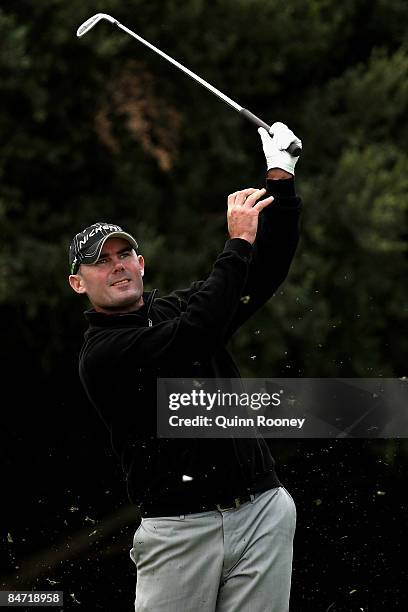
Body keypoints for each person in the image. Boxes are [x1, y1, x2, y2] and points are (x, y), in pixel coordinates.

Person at [68, 123, 302, 612]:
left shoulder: (177, 307)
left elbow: (266, 270)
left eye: (125, 253)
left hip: (260, 511)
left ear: (142, 263)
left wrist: (281, 177)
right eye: (100, 260)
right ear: (77, 283)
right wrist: (236, 244)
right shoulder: (102, 354)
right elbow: (195, 336)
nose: (117, 265)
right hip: (178, 531)